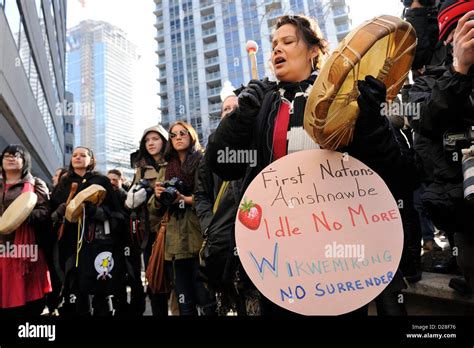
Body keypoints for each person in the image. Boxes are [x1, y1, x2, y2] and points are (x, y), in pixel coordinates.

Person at [206, 15, 415, 315]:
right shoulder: (262, 101)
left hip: (340, 250)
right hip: (279, 255)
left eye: (288, 42)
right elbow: (223, 165)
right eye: (274, 44)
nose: (277, 49)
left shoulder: (346, 97)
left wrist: (372, 121)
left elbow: (396, 172)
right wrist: (240, 118)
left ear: (314, 50)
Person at [409, 1, 474, 292]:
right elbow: (427, 118)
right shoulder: (425, 85)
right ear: (449, 40)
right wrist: (460, 70)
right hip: (463, 210)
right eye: (464, 28)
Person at [148, 121, 216, 315]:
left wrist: (184, 199)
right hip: (174, 246)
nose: (177, 137)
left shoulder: (204, 161)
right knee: (185, 304)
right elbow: (153, 209)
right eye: (173, 135)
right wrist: (159, 197)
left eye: (182, 133)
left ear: (191, 135)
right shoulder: (165, 168)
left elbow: (212, 197)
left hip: (199, 240)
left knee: (208, 302)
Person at [50, 146, 125, 316]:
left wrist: (96, 212)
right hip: (70, 242)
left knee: (101, 287)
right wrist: (60, 212)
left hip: (97, 243)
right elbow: (51, 214)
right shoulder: (64, 182)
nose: (77, 158)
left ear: (91, 160)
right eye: (74, 155)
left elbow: (116, 212)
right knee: (75, 287)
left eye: (83, 155)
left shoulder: (101, 180)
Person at [194, 83, 244, 315]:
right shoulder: (210, 153)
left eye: (237, 107)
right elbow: (201, 194)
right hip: (221, 238)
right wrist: (209, 225)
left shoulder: (257, 142)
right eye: (226, 109)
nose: (231, 111)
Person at [0, 144, 52, 318]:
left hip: (25, 248)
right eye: (6, 155)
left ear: (25, 161)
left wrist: (21, 217)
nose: (10, 158)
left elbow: (45, 213)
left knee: (26, 301)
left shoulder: (36, 184)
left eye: (16, 155)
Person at [125, 125, 169, 316]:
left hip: (174, 229)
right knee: (155, 280)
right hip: (150, 232)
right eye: (147, 140)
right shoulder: (141, 169)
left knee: (179, 282)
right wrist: (134, 197)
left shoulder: (175, 162)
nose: (150, 143)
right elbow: (132, 202)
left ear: (164, 141)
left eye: (155, 139)